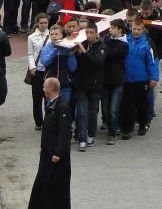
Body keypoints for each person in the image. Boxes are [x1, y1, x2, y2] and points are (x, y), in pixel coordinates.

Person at [28, 77, 73, 209]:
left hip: (56, 155)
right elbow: (47, 130)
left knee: (56, 185)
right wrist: (43, 147)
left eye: (44, 86)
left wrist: (58, 152)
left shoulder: (62, 107)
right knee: (42, 183)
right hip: (48, 152)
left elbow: (64, 132)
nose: (42, 89)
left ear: (50, 89)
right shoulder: (52, 104)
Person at [120, 18, 159, 139]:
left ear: (143, 30)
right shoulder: (125, 41)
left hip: (142, 79)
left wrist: (154, 77)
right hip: (127, 79)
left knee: (142, 104)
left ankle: (143, 124)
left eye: (138, 29)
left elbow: (152, 61)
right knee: (128, 105)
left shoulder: (147, 43)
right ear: (131, 28)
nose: (136, 31)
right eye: (134, 29)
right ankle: (127, 129)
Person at [73, 25, 106, 151]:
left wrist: (84, 52)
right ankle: (82, 139)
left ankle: (91, 135)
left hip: (95, 85)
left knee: (92, 113)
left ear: (97, 33)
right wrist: (78, 53)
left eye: (91, 32)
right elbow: (77, 62)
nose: (89, 35)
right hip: (82, 84)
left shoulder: (102, 47)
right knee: (81, 113)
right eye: (87, 32)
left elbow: (97, 62)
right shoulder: (82, 44)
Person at [102, 18, 129, 144]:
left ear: (119, 29)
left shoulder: (124, 45)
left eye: (112, 28)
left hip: (118, 81)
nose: (110, 30)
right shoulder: (108, 40)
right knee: (106, 109)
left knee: (113, 110)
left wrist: (105, 43)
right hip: (106, 80)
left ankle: (112, 133)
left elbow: (111, 53)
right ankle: (110, 126)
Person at [37, 24, 77, 102]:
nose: (54, 36)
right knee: (50, 110)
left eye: (56, 34)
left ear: (61, 35)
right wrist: (56, 49)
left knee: (64, 108)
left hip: (65, 84)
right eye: (52, 34)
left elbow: (73, 68)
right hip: (50, 85)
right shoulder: (46, 48)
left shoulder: (67, 48)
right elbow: (45, 62)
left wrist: (71, 53)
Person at [26, 14, 51, 131]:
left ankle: (48, 120)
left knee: (49, 96)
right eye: (41, 23)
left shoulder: (52, 35)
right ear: (37, 23)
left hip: (48, 70)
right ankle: (38, 122)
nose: (44, 25)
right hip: (37, 71)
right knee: (36, 98)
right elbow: (30, 54)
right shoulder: (31, 37)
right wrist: (32, 67)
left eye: (46, 23)